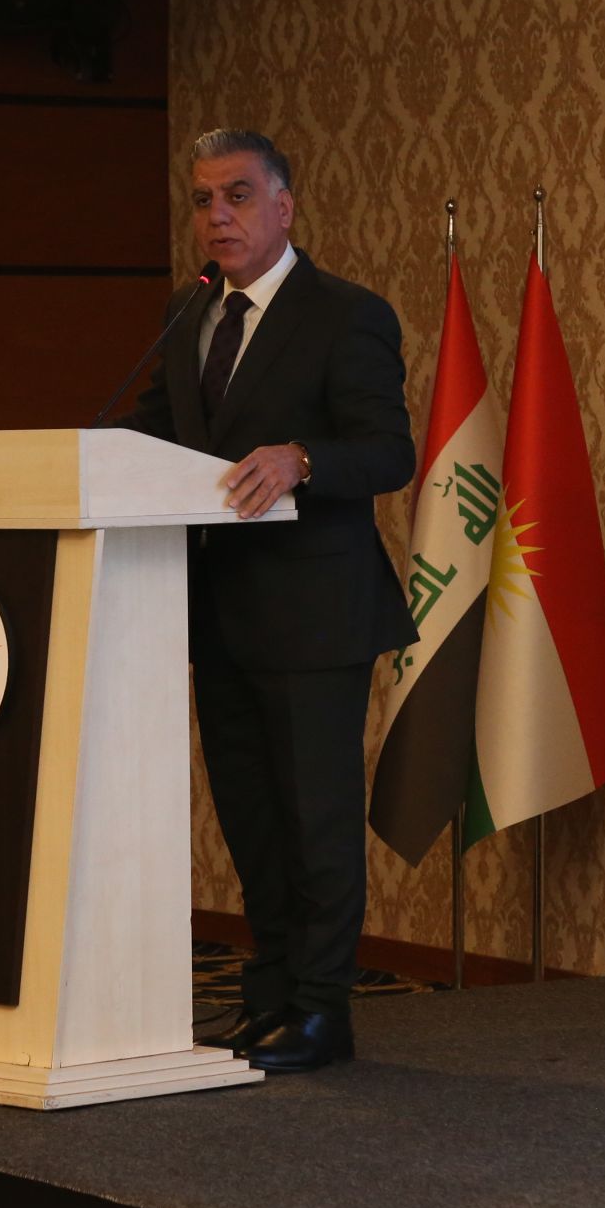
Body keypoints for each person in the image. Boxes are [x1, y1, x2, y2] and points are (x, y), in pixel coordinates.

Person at [124, 129, 416, 1073]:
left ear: (284, 207)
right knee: (252, 821)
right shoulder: (190, 313)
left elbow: (390, 451)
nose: (218, 215)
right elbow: (153, 434)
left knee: (313, 821)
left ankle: (324, 1010)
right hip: (218, 614)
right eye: (203, 199)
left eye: (238, 195)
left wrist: (302, 458)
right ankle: (273, 993)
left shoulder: (345, 315)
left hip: (316, 614)